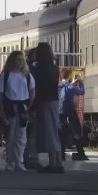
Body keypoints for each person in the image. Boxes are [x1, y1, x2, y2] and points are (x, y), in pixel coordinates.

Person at [0, 51, 35, 171]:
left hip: (23, 107)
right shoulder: (5, 75)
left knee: (21, 136)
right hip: (10, 107)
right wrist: (2, 112)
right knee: (11, 135)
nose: (20, 62)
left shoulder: (27, 75)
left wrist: (29, 108)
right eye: (18, 59)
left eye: (22, 60)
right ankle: (10, 161)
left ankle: (19, 161)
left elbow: (32, 92)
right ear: (12, 61)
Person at [32, 43, 64, 173]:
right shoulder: (54, 67)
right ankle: (58, 162)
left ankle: (53, 164)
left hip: (46, 101)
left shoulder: (40, 68)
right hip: (54, 100)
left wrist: (36, 105)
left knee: (50, 132)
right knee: (54, 132)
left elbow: (41, 88)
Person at [58, 69, 88, 161]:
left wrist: (71, 83)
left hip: (59, 113)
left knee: (61, 134)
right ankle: (80, 153)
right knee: (76, 132)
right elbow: (82, 91)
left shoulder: (58, 86)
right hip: (70, 113)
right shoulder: (70, 87)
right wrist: (80, 81)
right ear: (70, 76)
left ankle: (61, 155)